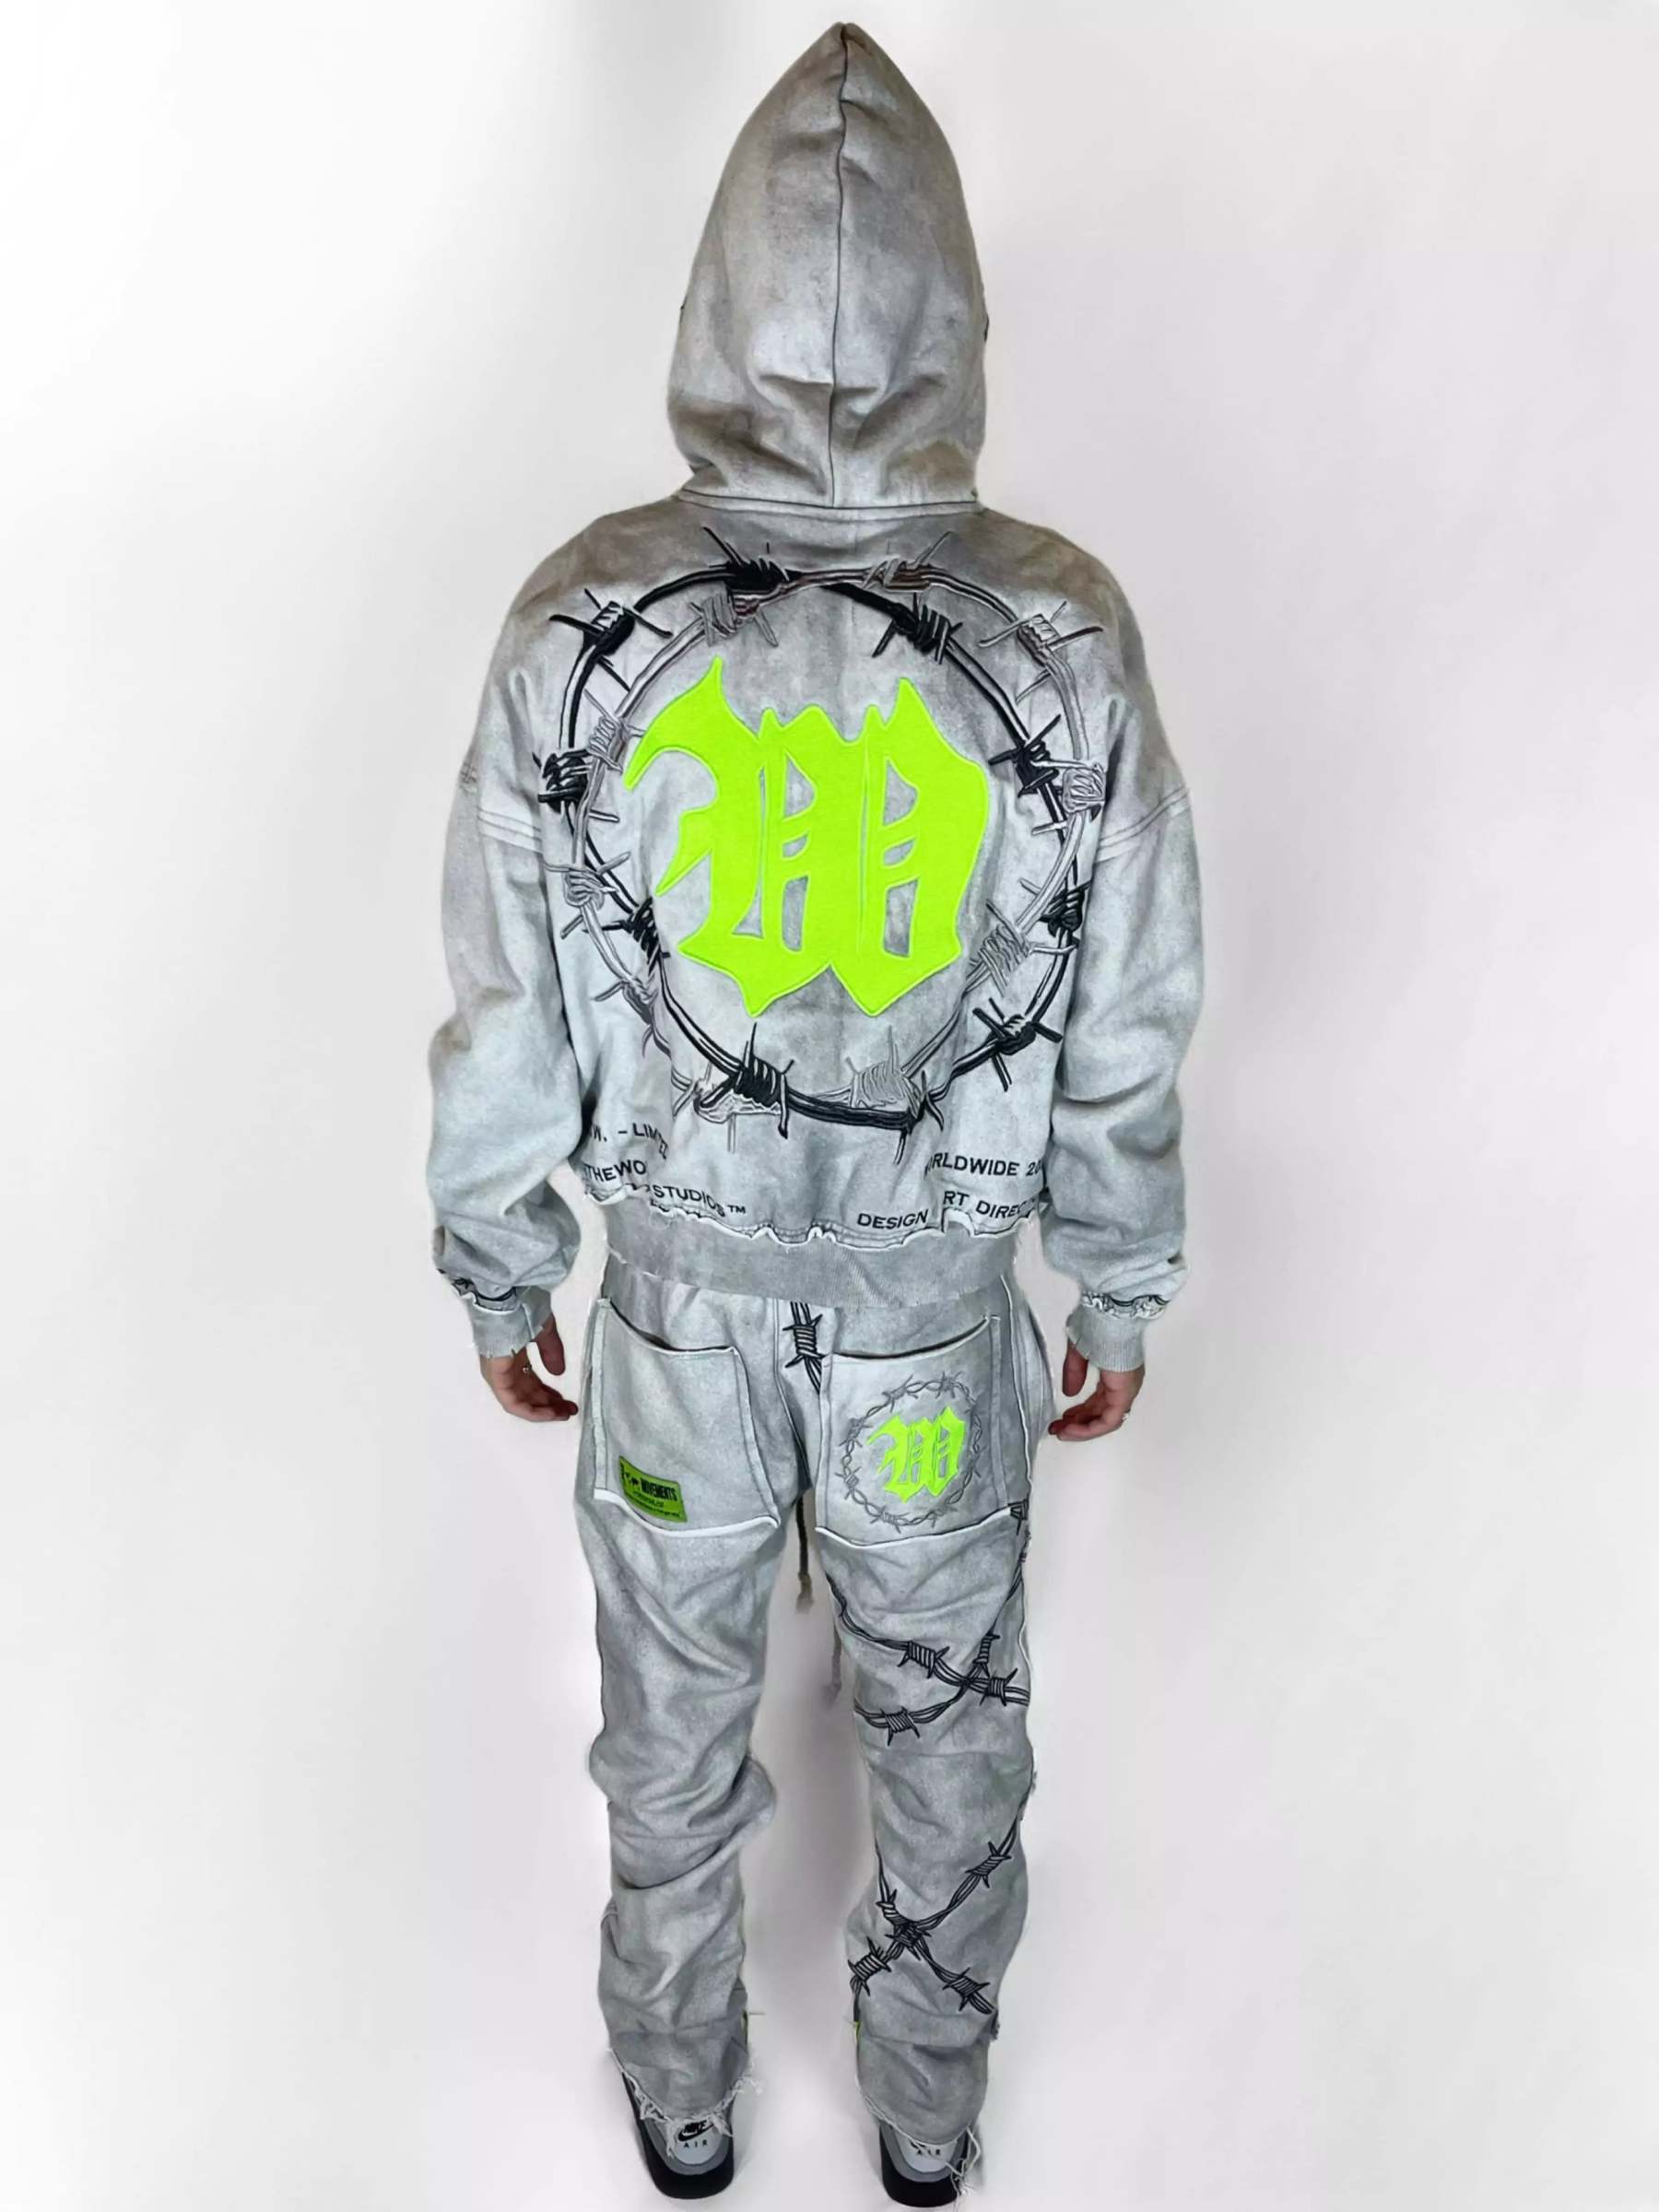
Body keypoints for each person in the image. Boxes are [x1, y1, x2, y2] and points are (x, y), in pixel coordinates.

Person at [425, 20, 1202, 2203]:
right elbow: (1133, 990)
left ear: (713, 304)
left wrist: (500, 1254)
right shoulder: (1059, 635)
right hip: (935, 1340)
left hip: (670, 1331)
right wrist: (1116, 1279)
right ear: (959, 313)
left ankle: (680, 2102)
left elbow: (508, 982)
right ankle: (928, 2120)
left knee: (668, 1736)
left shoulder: (583, 621)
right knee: (946, 1743)